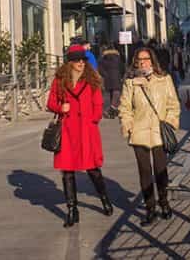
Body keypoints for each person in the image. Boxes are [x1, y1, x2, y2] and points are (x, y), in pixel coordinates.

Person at [46, 45, 112, 228]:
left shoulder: (92, 80)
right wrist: (61, 108)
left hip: (86, 130)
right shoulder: (60, 80)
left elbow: (98, 103)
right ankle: (72, 210)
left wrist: (93, 119)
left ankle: (105, 198)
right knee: (67, 171)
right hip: (67, 131)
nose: (81, 63)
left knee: (93, 170)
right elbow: (51, 102)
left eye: (83, 60)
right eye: (77, 60)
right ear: (70, 62)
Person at [118, 47, 181, 226]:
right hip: (139, 132)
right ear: (135, 62)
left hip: (159, 132)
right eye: (140, 59)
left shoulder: (164, 79)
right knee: (145, 172)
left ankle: (164, 202)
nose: (143, 62)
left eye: (146, 59)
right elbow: (125, 108)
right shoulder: (130, 83)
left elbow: (173, 104)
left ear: (152, 61)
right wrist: (128, 127)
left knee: (161, 171)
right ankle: (150, 208)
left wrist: (169, 123)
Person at [99, 43, 123, 119]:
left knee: (107, 94)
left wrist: (105, 75)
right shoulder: (118, 58)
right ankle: (113, 109)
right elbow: (122, 67)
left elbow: (100, 69)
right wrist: (121, 75)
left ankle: (107, 110)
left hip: (107, 79)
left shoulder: (103, 58)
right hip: (117, 77)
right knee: (116, 93)